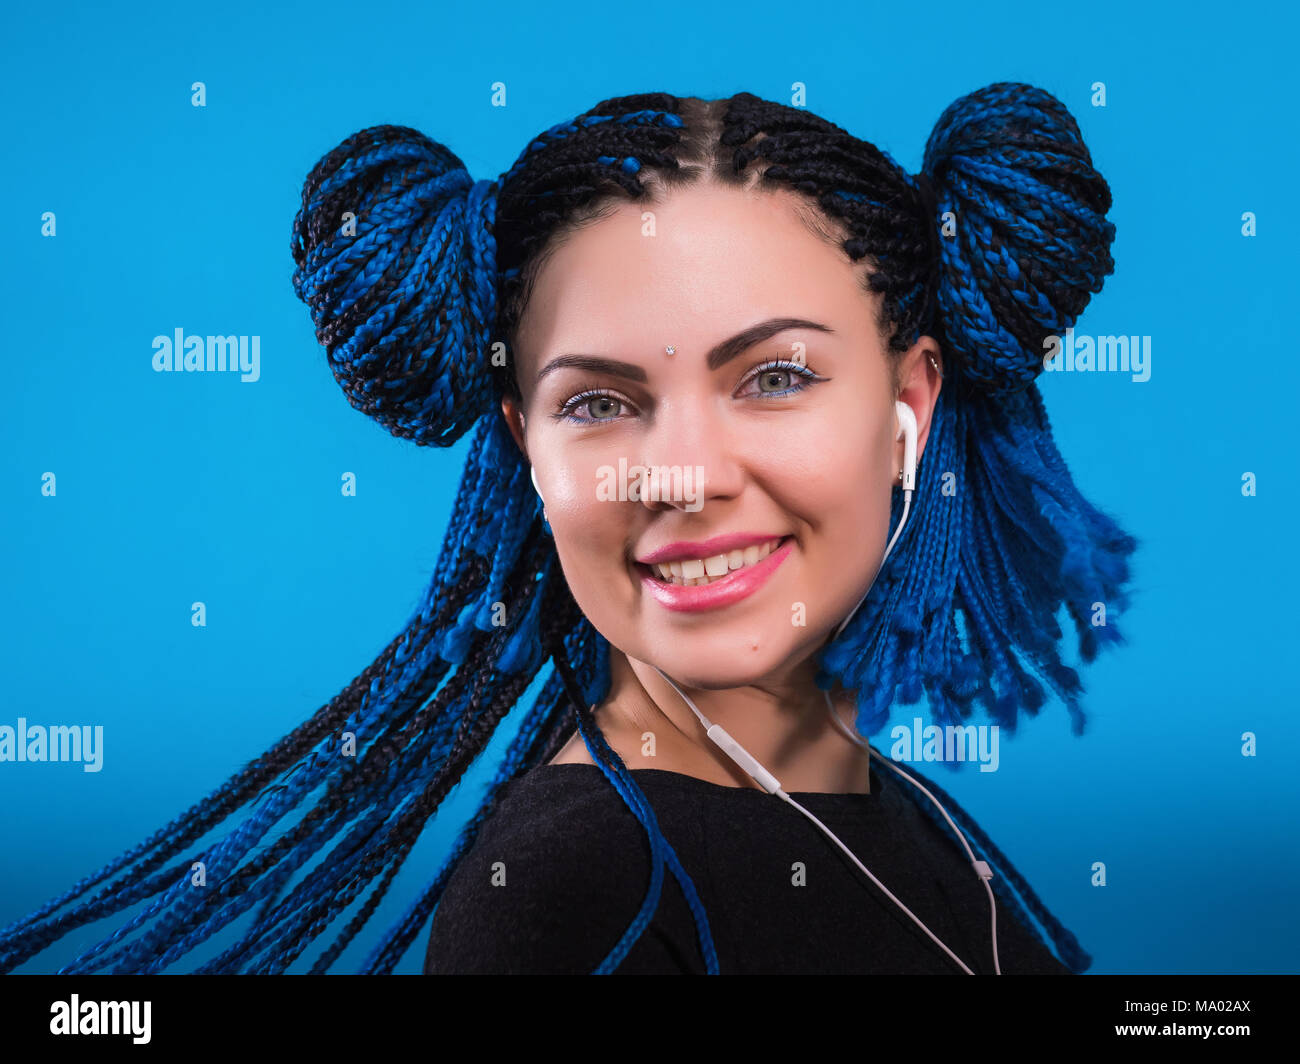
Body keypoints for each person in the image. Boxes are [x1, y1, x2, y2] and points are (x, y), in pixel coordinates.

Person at [0, 85, 1136, 976]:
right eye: (599, 401)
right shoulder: (575, 892)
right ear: (526, 446)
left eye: (775, 374)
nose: (684, 475)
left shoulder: (922, 828)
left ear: (910, 411)